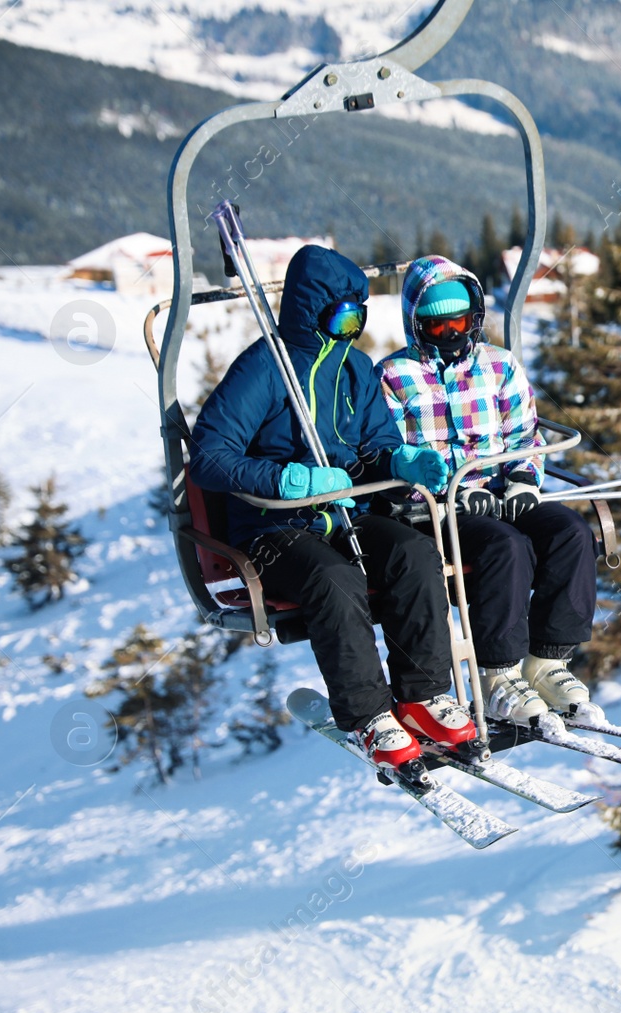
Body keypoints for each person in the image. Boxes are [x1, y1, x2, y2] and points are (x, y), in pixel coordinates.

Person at [189, 245, 476, 771]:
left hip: (343, 513)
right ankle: (368, 714)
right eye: (342, 312)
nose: (353, 323)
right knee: (333, 578)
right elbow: (209, 456)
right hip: (273, 529)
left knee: (413, 552)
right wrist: (288, 478)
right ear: (310, 310)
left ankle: (424, 695)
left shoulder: (358, 371)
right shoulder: (265, 368)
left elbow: (376, 445)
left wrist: (401, 462)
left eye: (360, 312)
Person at [380, 254, 602, 736]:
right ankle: (498, 672)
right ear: (415, 323)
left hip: (501, 493)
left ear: (476, 318)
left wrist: (524, 480)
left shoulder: (500, 367)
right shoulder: (395, 377)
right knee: (505, 546)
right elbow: (392, 451)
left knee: (570, 533)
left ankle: (546, 661)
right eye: (437, 326)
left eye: (460, 322)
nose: (451, 335)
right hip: (437, 508)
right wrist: (445, 489)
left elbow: (526, 436)